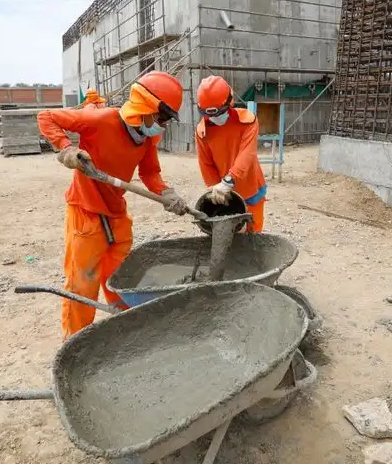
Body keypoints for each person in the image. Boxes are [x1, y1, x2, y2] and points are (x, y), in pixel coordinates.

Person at [37, 71, 190, 339]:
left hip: (116, 214)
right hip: (86, 211)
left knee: (122, 280)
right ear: (146, 107)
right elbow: (46, 117)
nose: (163, 125)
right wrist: (67, 149)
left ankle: (123, 333)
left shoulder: (147, 137)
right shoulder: (99, 120)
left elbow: (150, 173)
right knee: (82, 285)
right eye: (163, 116)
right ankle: (75, 343)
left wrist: (167, 193)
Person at [194, 75, 267, 232]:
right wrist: (215, 187)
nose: (215, 118)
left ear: (230, 103)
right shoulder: (202, 132)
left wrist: (228, 181)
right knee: (229, 236)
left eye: (218, 113)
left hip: (251, 187)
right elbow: (206, 164)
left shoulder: (247, 121)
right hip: (226, 195)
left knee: (253, 235)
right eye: (210, 115)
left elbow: (247, 155)